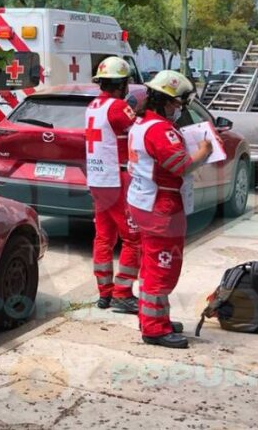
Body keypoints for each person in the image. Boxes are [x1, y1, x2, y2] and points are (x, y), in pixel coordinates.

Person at [127, 70, 212, 349]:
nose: (178, 110)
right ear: (165, 101)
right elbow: (181, 165)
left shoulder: (142, 124)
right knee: (163, 268)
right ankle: (154, 329)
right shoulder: (160, 130)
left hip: (145, 202)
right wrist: (204, 152)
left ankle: (154, 318)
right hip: (161, 208)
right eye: (177, 104)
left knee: (153, 264)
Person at [84, 57, 141, 313]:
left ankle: (104, 293)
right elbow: (140, 131)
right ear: (121, 84)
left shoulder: (93, 105)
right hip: (116, 180)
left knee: (104, 238)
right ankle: (122, 293)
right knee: (133, 239)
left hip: (97, 180)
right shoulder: (118, 107)